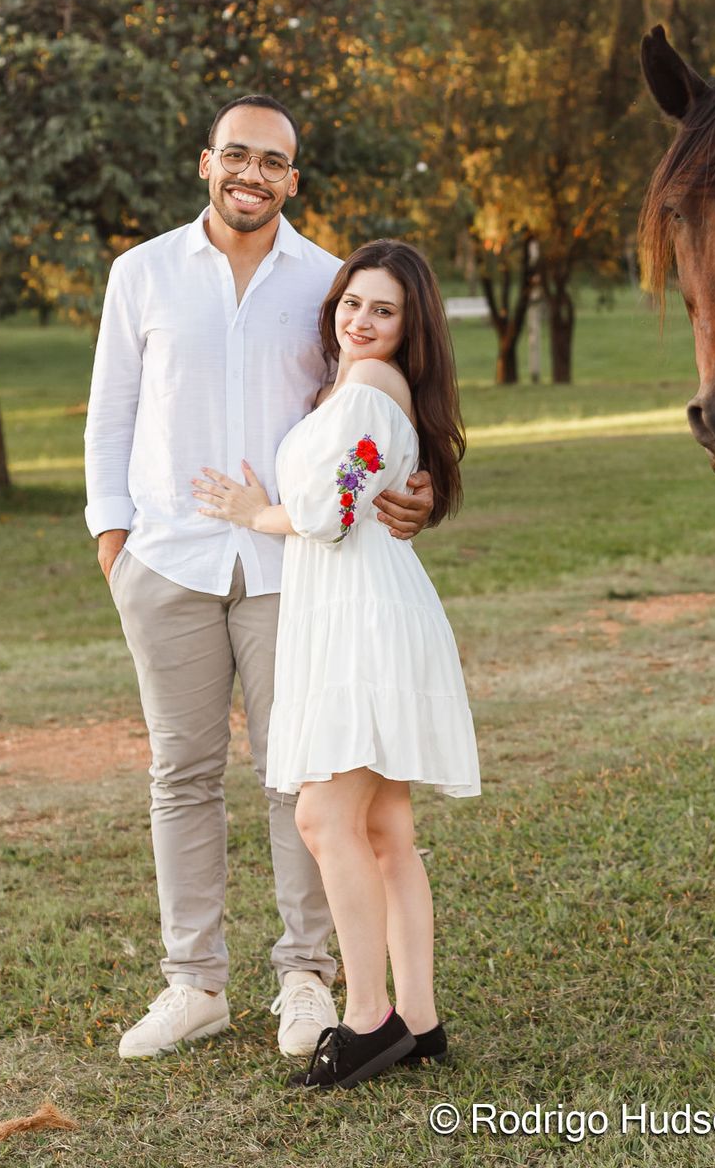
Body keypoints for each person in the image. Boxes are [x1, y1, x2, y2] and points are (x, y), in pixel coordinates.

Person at [83, 96, 437, 1061]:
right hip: (167, 562)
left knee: (300, 776)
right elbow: (110, 411)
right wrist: (113, 538)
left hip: (296, 571)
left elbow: (383, 409)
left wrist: (422, 483)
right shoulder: (141, 273)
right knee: (182, 774)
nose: (252, 172)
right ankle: (193, 985)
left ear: (293, 178)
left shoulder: (330, 284)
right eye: (235, 155)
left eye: (272, 161)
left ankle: (305, 979)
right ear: (207, 162)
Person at [192, 239, 479, 1089]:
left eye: (383, 310)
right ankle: (419, 1022)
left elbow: (331, 510)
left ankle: (367, 1018)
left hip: (365, 618)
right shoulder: (360, 386)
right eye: (353, 302)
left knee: (322, 818)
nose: (361, 320)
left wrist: (255, 510)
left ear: (410, 324)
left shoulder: (368, 391)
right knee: (385, 830)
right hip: (354, 606)